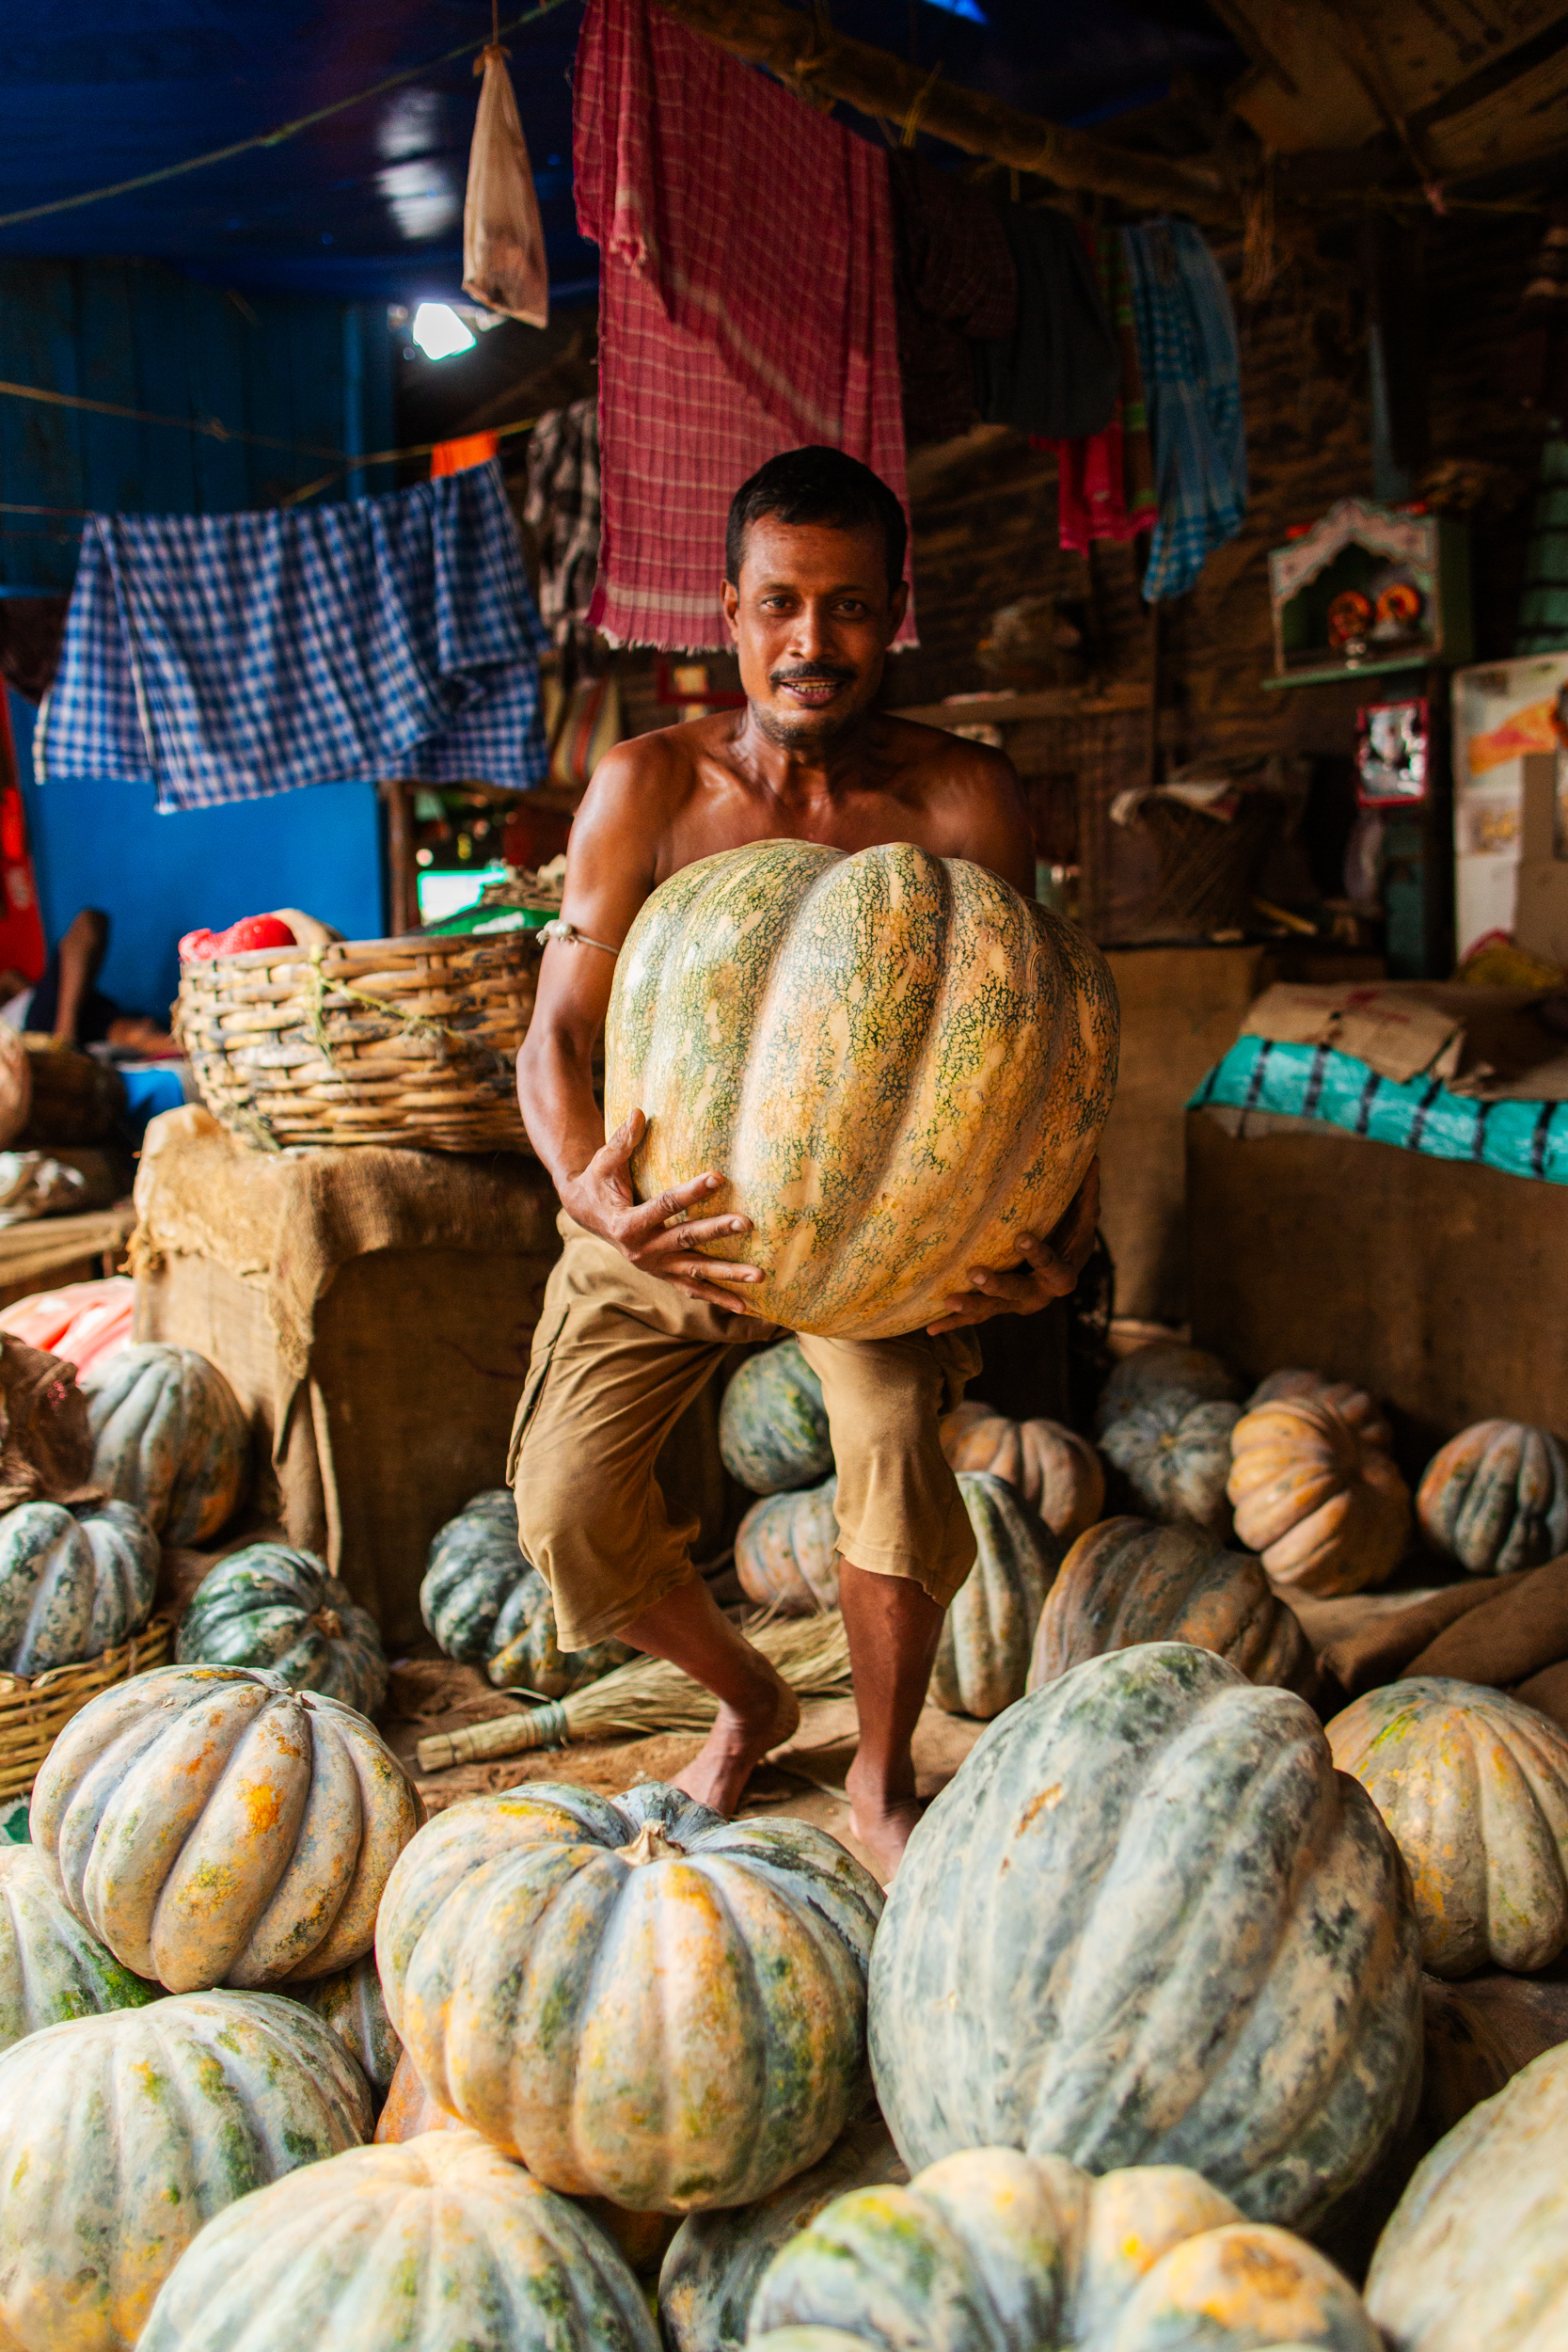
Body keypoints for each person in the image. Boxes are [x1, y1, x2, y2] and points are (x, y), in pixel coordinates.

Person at [513, 444, 1100, 1878]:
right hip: (675, 1216)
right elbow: (553, 1038)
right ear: (727, 608)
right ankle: (751, 1697)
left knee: (895, 1461)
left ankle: (882, 1775)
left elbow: (1024, 1047)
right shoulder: (649, 787)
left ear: (895, 612)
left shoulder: (964, 801)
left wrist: (1063, 1231)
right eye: (781, 603)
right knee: (567, 1515)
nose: (812, 643)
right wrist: (587, 1184)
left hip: (882, 1238)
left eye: (847, 608)